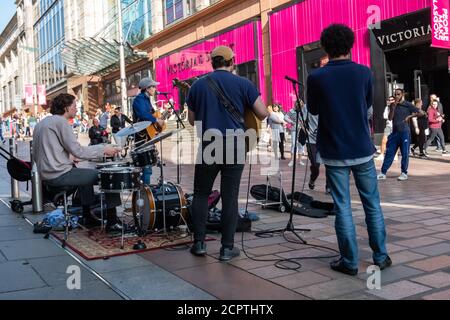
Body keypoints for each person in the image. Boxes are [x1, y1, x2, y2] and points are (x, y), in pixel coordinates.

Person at [307, 24, 391, 276]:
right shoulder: (363, 73)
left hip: (334, 150)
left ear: (325, 46)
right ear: (350, 45)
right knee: (372, 204)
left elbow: (313, 110)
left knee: (342, 205)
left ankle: (350, 261)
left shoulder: (317, 77)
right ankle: (381, 256)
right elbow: (366, 105)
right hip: (362, 148)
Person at [186, 45, 269, 262]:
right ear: (232, 61)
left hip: (209, 144)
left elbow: (192, 120)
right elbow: (262, 113)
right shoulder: (243, 83)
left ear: (212, 63)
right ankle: (227, 248)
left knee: (201, 193)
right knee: (230, 195)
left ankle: (200, 244)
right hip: (235, 144)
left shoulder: (197, 85)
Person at [32, 93, 123, 231]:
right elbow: (78, 150)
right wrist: (104, 149)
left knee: (84, 176)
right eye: (74, 106)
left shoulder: (42, 123)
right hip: (59, 174)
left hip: (46, 174)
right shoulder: (61, 122)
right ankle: (112, 222)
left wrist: (68, 158)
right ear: (66, 107)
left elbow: (48, 150)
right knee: (108, 176)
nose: (76, 109)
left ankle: (87, 216)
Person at [377, 89, 424, 181]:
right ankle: (383, 173)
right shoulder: (392, 105)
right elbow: (390, 118)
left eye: (398, 94)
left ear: (402, 94)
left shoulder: (407, 104)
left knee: (405, 153)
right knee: (389, 153)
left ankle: (404, 173)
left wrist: (409, 117)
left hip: (404, 133)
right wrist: (393, 108)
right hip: (394, 133)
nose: (396, 96)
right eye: (395, 94)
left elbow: (421, 113)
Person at [132, 76, 165, 185]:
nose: (155, 89)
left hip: (147, 136)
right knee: (146, 167)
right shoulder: (139, 99)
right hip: (141, 137)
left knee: (148, 166)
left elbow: (150, 114)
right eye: (153, 87)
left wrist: (158, 122)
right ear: (147, 88)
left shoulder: (146, 99)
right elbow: (142, 114)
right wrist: (156, 120)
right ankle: (145, 191)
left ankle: (146, 189)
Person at [284, 101, 306, 167]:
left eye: (301, 104)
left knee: (301, 144)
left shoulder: (303, 111)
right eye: (298, 104)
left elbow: (305, 119)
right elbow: (285, 117)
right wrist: (291, 122)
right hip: (294, 129)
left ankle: (299, 160)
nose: (299, 105)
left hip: (302, 129)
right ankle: (292, 161)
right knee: (293, 143)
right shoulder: (292, 110)